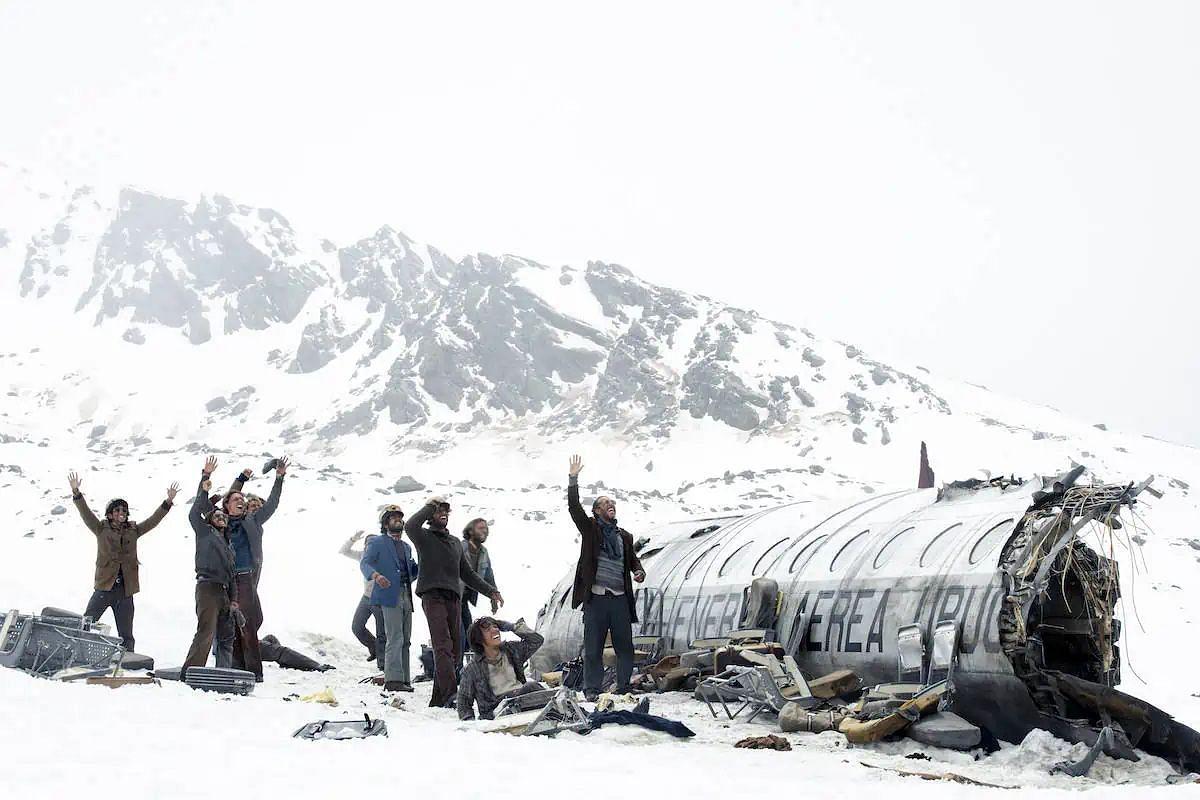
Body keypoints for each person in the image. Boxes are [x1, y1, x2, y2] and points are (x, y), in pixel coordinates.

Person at [405, 496, 503, 708]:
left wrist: (491, 591)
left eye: (446, 511)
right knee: (443, 646)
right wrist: (430, 505)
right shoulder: (423, 536)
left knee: (456, 650)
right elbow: (410, 525)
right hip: (432, 596)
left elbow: (466, 573)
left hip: (453, 598)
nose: (443, 513)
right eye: (439, 510)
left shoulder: (454, 543)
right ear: (431, 516)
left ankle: (439, 699)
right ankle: (451, 695)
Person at [66, 471, 179, 652]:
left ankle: (128, 662)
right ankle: (73, 651)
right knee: (87, 622)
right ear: (110, 514)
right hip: (104, 586)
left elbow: (152, 521)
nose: (121, 513)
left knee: (126, 633)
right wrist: (76, 493)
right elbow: (85, 513)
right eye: (117, 510)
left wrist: (167, 502)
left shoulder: (133, 531)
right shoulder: (100, 528)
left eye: (124, 510)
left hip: (125, 590)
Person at [566, 455, 645, 701]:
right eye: (604, 503)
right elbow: (574, 508)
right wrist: (573, 479)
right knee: (594, 648)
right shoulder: (590, 529)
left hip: (620, 599)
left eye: (612, 502)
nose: (610, 504)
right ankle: (592, 690)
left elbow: (631, 559)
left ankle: (623, 686)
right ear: (597, 511)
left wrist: (638, 570)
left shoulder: (624, 536)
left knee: (625, 646)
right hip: (597, 599)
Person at [215, 458, 289, 681]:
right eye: (236, 499)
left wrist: (279, 478)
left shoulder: (252, 520)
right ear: (227, 506)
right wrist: (240, 480)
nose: (240, 501)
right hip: (226, 581)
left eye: (242, 499)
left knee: (249, 624)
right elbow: (227, 498)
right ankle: (236, 667)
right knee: (230, 624)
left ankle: (255, 673)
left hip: (245, 579)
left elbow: (272, 504)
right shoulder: (222, 521)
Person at [183, 456, 239, 676]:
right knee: (206, 631)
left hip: (224, 590)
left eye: (223, 515)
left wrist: (234, 600)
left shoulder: (228, 545)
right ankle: (191, 671)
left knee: (227, 635)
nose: (221, 517)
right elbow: (195, 511)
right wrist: (205, 478)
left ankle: (223, 673)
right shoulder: (205, 533)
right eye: (216, 515)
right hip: (207, 587)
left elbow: (232, 575)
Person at [360, 506, 419, 691]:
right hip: (388, 595)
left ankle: (404, 679)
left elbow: (411, 572)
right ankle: (393, 680)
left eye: (399, 518)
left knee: (406, 638)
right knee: (395, 637)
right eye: (393, 518)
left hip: (406, 594)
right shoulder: (377, 542)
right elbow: (365, 563)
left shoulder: (407, 547)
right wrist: (376, 576)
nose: (398, 521)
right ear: (385, 523)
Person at [456, 617, 545, 720]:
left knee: (534, 688)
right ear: (479, 639)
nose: (495, 630)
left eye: (495, 626)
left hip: (522, 699)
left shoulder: (511, 650)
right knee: (531, 687)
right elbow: (464, 701)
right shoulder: (472, 669)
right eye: (488, 630)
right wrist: (470, 722)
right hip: (497, 712)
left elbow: (537, 640)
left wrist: (512, 627)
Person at [458, 517, 499, 672]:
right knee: (461, 633)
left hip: (465, 598)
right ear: (470, 531)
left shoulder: (483, 552)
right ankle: (458, 670)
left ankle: (469, 668)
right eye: (480, 528)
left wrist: (493, 596)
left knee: (469, 631)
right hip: (455, 595)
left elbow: (489, 575)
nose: (485, 531)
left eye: (486, 528)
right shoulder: (460, 547)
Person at [340, 530, 386, 666]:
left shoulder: (383, 557)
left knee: (382, 632)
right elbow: (343, 551)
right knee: (357, 627)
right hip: (366, 597)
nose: (369, 546)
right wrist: (353, 538)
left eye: (373, 543)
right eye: (367, 544)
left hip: (380, 599)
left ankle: (383, 664)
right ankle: (374, 648)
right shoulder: (362, 556)